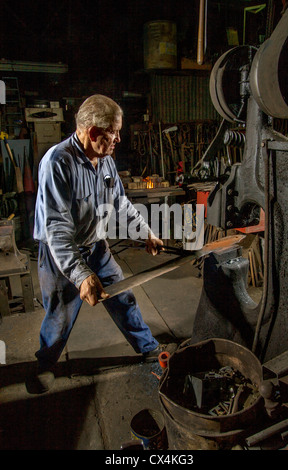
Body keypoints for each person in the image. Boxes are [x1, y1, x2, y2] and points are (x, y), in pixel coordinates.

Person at [28, 94, 165, 393]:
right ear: (92, 133)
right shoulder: (57, 162)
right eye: (113, 132)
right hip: (59, 251)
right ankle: (45, 363)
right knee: (60, 312)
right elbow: (57, 228)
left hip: (96, 246)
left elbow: (121, 203)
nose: (118, 138)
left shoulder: (105, 162)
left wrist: (146, 233)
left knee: (123, 297)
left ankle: (147, 347)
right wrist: (80, 275)